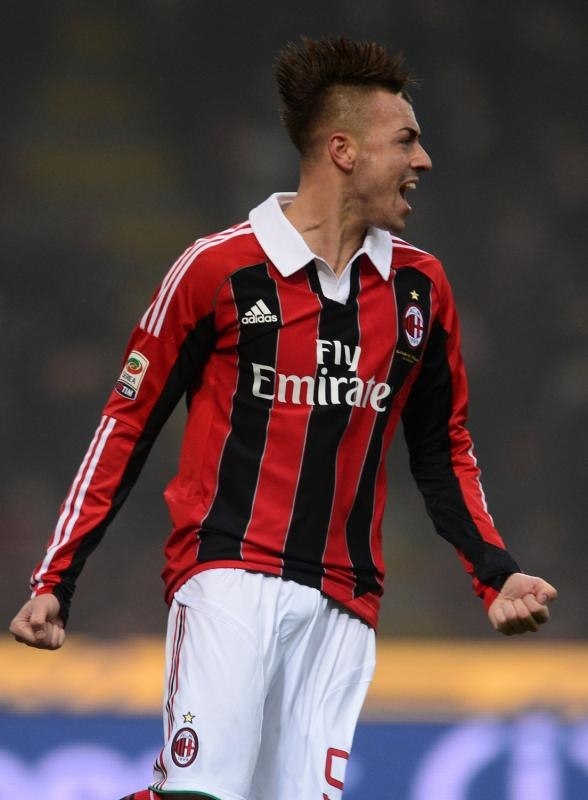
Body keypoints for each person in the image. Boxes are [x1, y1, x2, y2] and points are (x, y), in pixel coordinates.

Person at [10, 36, 557, 800]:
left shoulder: (420, 289)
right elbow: (125, 425)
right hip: (228, 576)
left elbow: (441, 449)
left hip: (346, 606)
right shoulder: (216, 269)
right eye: (406, 140)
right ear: (343, 151)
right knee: (199, 793)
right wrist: (57, 577)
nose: (424, 160)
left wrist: (494, 573)